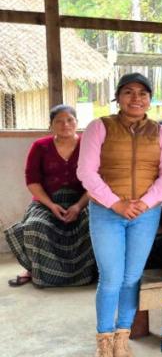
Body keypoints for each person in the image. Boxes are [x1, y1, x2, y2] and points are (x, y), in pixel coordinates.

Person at [77, 72, 162, 356]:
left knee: (132, 278)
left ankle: (122, 338)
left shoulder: (161, 133)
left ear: (150, 99)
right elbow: (86, 172)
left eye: (143, 93)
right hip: (106, 212)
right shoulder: (99, 127)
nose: (136, 98)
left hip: (145, 215)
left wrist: (145, 203)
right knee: (111, 277)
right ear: (118, 97)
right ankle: (104, 340)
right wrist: (116, 204)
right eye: (129, 92)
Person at [5, 105, 95, 288]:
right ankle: (32, 270)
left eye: (69, 120)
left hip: (83, 201)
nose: (65, 125)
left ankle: (90, 272)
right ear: (51, 125)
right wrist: (51, 205)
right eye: (58, 121)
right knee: (35, 225)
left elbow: (97, 180)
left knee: (93, 224)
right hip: (47, 202)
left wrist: (78, 206)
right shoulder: (40, 146)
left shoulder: (88, 146)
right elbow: (32, 181)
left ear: (77, 122)